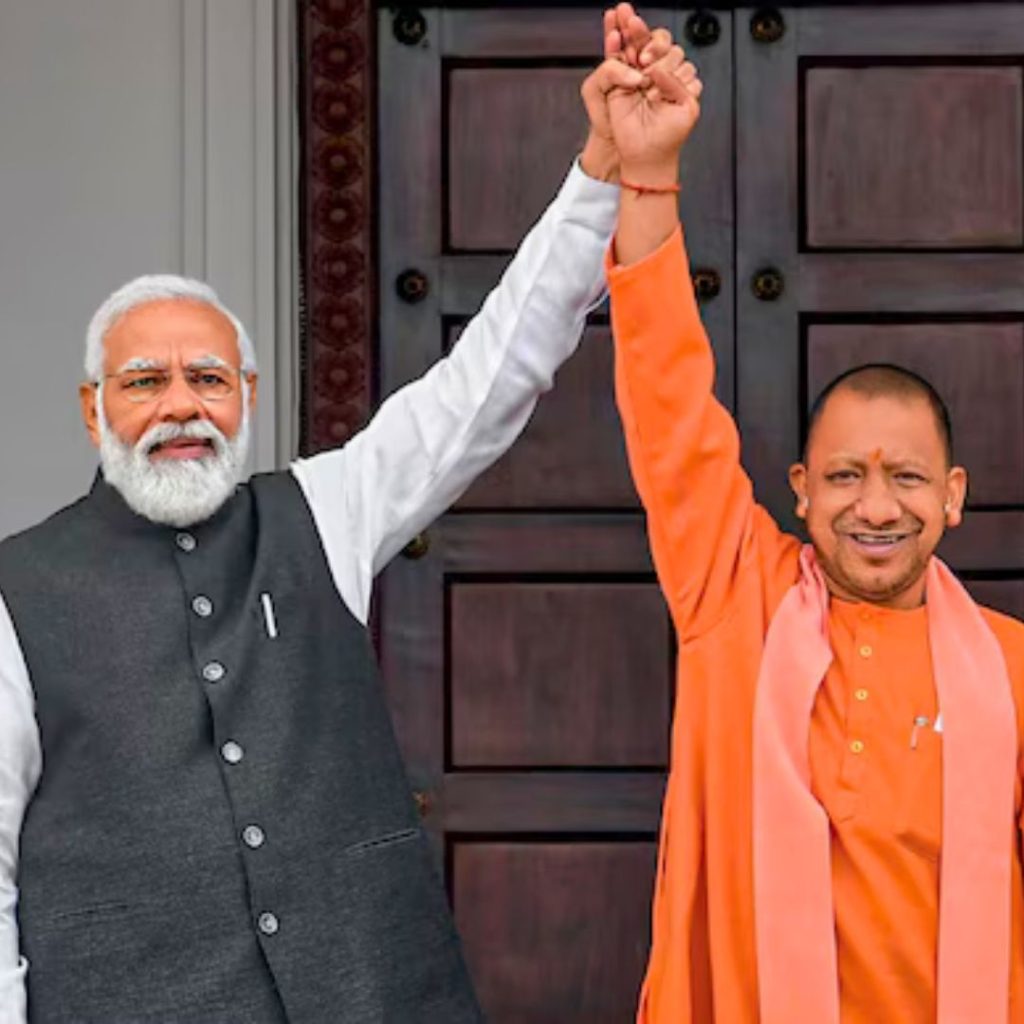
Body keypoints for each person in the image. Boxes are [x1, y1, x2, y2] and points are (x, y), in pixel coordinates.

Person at [0, 18, 670, 1021]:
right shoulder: (20, 590)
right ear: (95, 409)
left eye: (207, 378)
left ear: (248, 395)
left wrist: (601, 173)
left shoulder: (322, 509)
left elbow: (491, 378)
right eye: (145, 381)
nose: (182, 404)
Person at [601, 19, 1024, 1024]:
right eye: (844, 475)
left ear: (953, 496)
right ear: (798, 489)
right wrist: (649, 174)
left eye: (906, 478)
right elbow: (667, 395)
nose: (875, 505)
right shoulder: (730, 594)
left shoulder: (1012, 670)